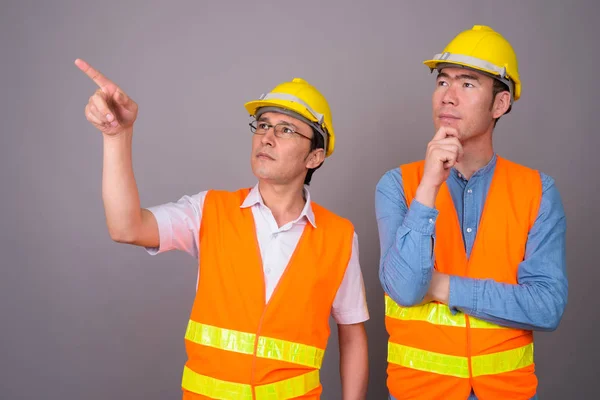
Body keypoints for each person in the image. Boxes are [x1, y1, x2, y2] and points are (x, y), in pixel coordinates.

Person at [75, 58, 369, 400]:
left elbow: (352, 335)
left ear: (315, 157)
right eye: (262, 125)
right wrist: (117, 136)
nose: (267, 138)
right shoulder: (209, 210)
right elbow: (126, 227)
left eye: (286, 129)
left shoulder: (339, 236)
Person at [375, 25, 568, 400]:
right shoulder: (397, 184)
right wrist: (428, 187)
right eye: (442, 81)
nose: (447, 97)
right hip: (418, 393)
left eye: (467, 85)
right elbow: (405, 288)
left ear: (500, 104)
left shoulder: (538, 191)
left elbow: (547, 306)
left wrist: (443, 287)